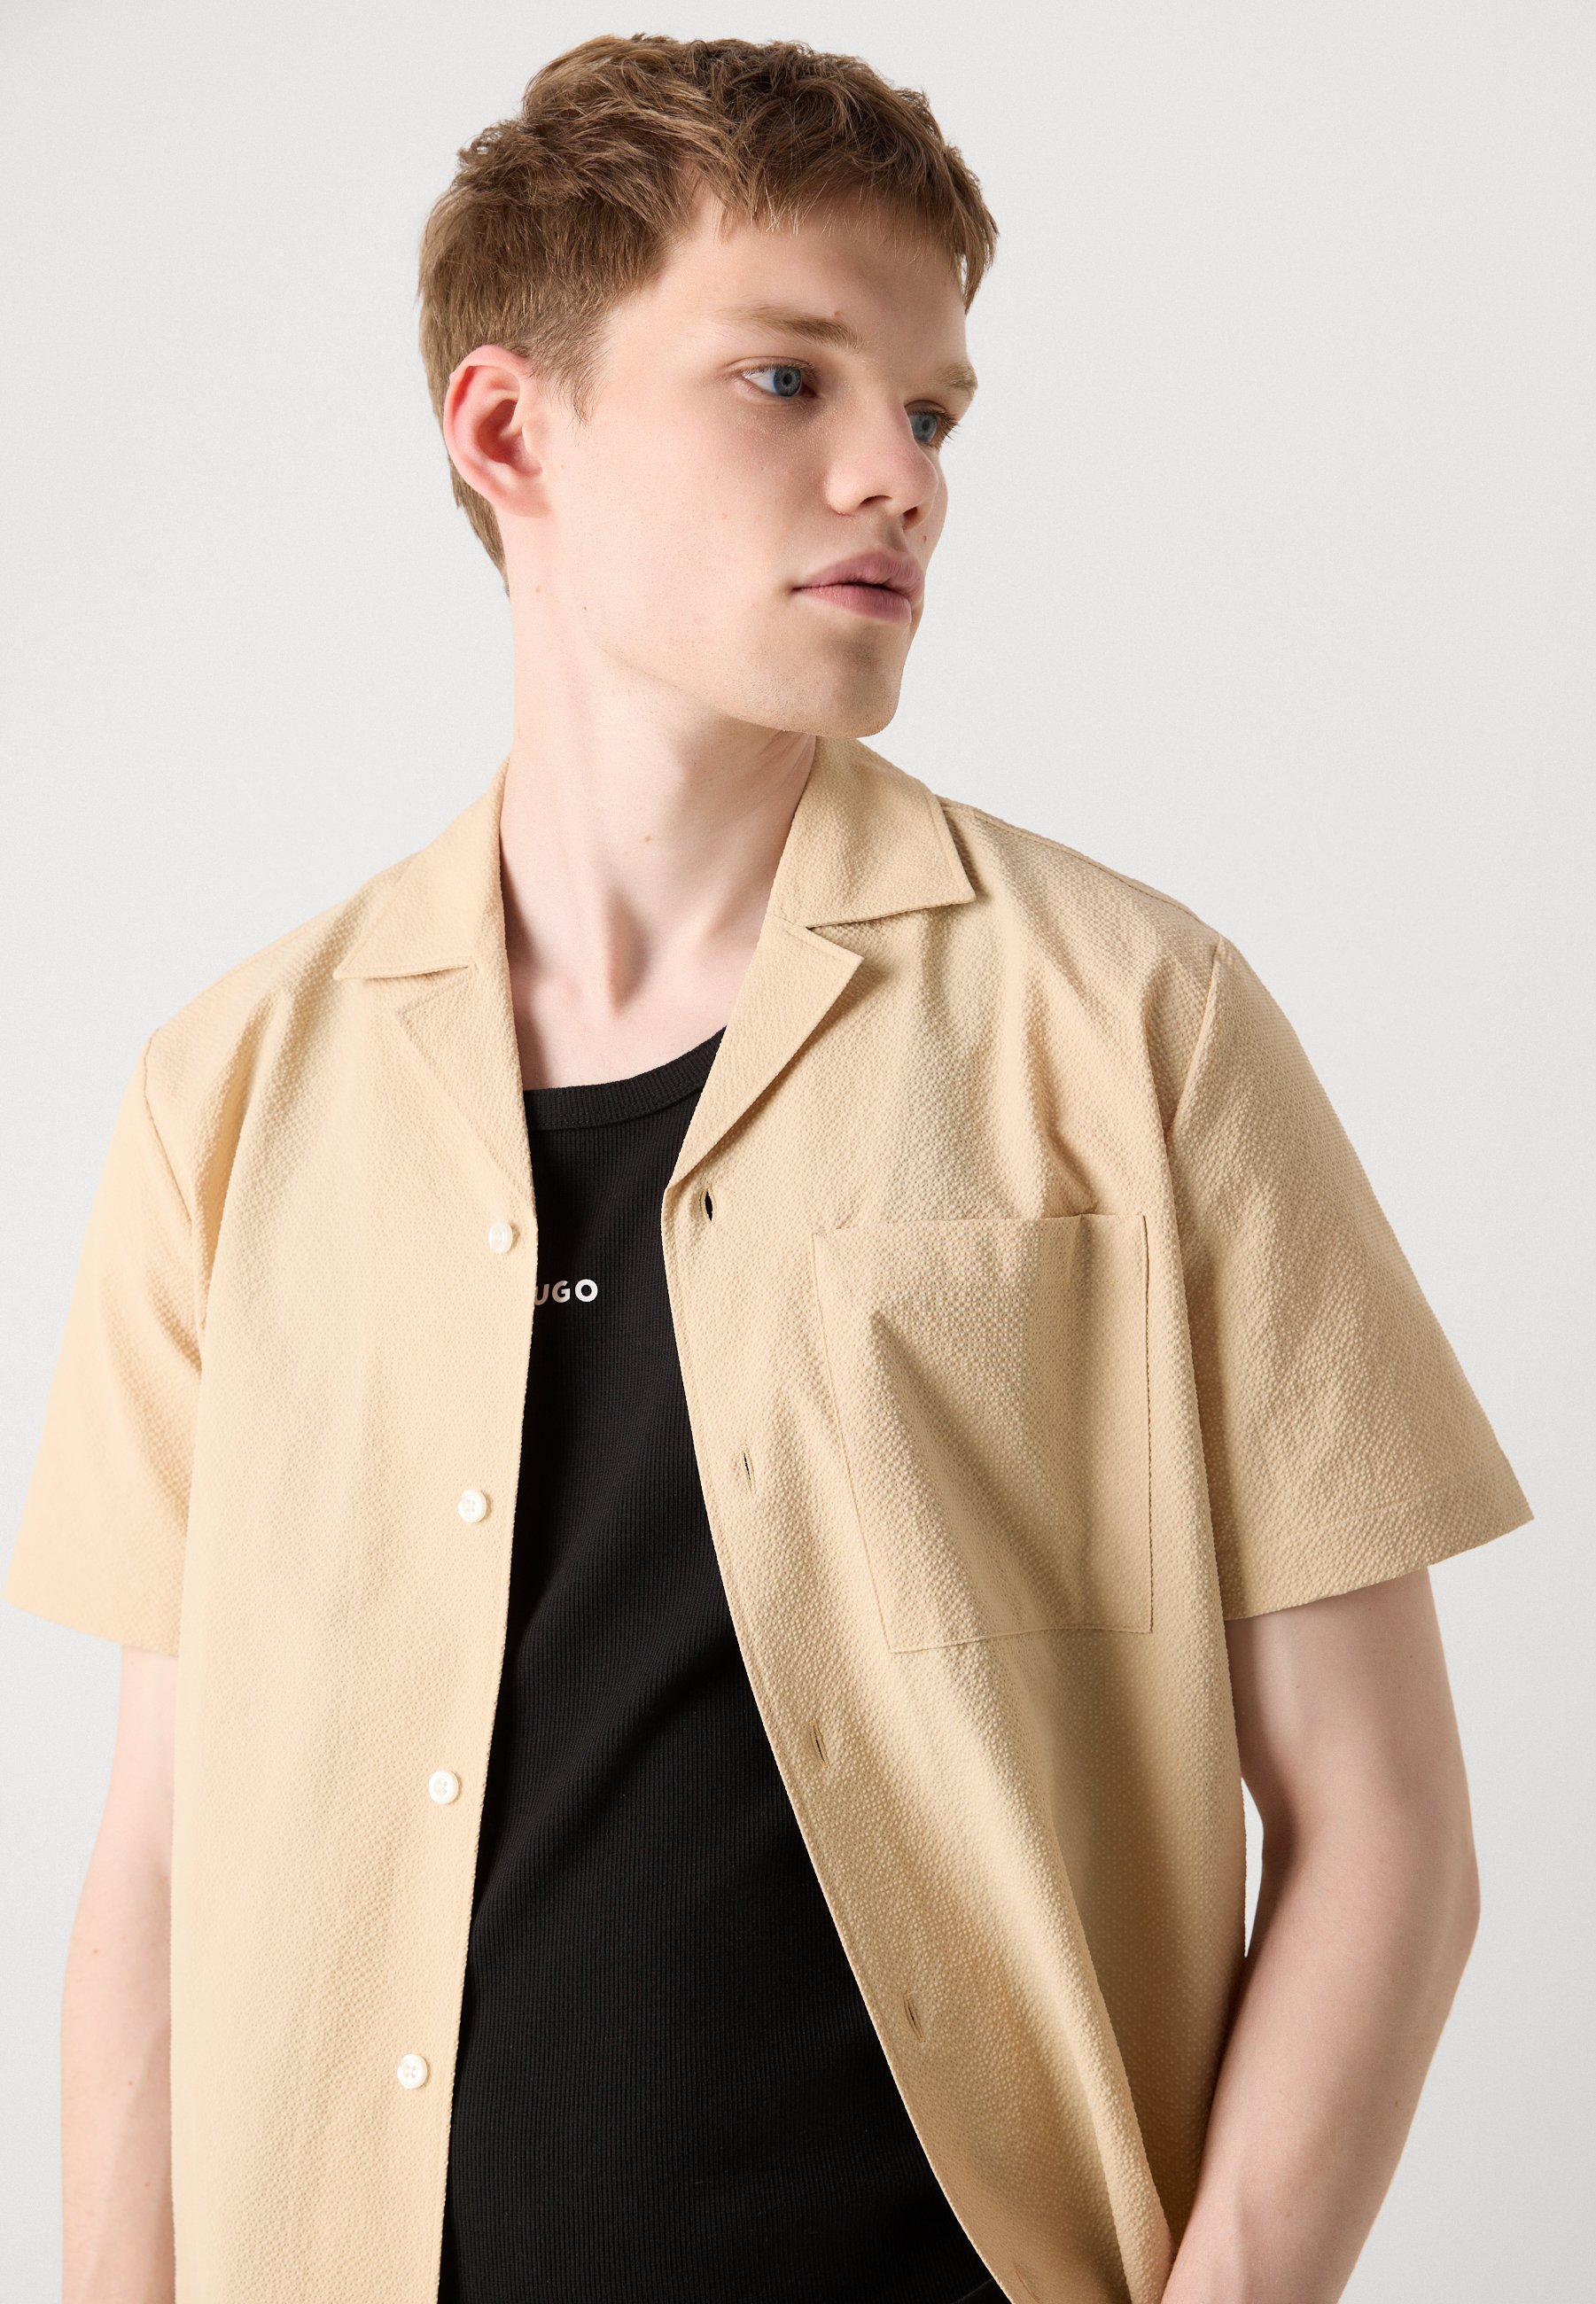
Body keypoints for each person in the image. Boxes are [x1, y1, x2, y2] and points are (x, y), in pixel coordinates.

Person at [6, 33, 1533, 2304]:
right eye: (787, 380)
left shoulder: (1134, 1022)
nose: (896, 475)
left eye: (931, 412)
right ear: (508, 429)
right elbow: (156, 1863)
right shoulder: (227, 1092)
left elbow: (1384, 1825)